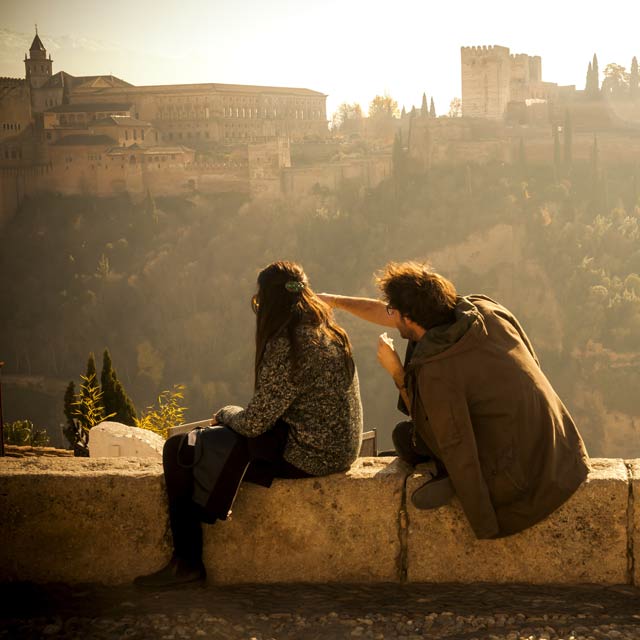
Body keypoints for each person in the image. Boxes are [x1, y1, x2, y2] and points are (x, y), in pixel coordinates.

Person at [319, 261, 590, 540]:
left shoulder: (438, 370)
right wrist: (335, 301)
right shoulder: (484, 310)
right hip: (560, 448)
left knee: (405, 437)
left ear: (409, 318)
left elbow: (454, 443)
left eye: (394, 311)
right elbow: (532, 360)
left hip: (524, 480)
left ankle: (444, 474)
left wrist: (398, 373)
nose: (390, 315)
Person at [136, 261, 363, 587]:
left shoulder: (289, 344)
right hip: (341, 449)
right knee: (214, 446)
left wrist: (225, 413)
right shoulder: (329, 333)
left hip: (310, 454)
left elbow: (255, 422)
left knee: (179, 449)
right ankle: (187, 559)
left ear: (267, 302)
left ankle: (186, 563)